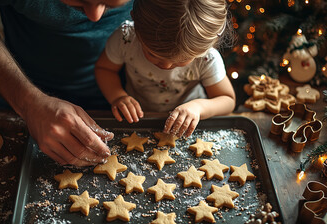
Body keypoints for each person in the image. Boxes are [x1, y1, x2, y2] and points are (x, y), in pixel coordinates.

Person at [0, 0, 133, 166]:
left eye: (109, 3)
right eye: (80, 0)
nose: (94, 16)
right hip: (19, 101)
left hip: (127, 104)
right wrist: (29, 103)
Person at [95, 0, 236, 138]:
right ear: (136, 25)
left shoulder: (206, 58)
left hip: (190, 126)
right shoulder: (126, 39)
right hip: (140, 119)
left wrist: (198, 108)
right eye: (151, 54)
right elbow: (105, 69)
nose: (166, 66)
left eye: (181, 60)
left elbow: (227, 100)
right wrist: (118, 96)